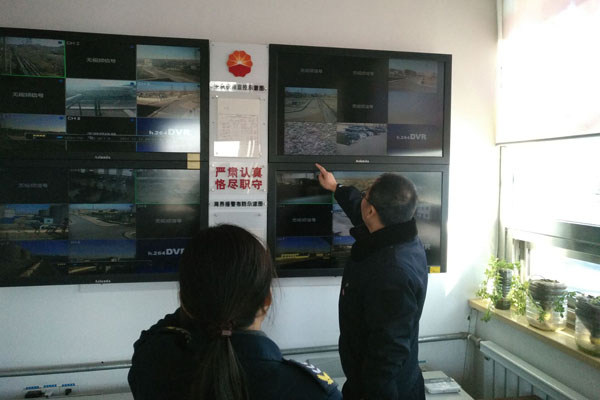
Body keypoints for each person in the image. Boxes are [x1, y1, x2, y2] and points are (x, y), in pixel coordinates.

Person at [128, 224, 341, 400]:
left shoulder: (153, 364)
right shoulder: (311, 391)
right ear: (266, 300)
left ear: (184, 300)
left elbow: (154, 336)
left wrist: (204, 298)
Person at [316, 163, 429, 400]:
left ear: (371, 212)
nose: (362, 201)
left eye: (365, 196)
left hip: (382, 390)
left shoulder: (392, 273)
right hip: (382, 380)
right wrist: (336, 187)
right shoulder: (402, 235)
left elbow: (387, 355)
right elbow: (360, 210)